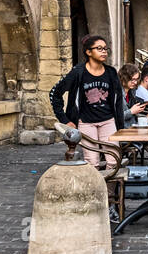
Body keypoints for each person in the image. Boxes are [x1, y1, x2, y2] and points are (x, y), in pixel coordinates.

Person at [49, 34, 127, 166]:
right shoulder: (78, 72)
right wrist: (65, 120)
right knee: (92, 162)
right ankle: (95, 187)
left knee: (114, 161)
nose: (103, 51)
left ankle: (109, 188)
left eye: (105, 49)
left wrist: (120, 124)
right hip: (86, 123)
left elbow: (118, 100)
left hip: (108, 121)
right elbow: (54, 94)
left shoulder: (111, 72)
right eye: (99, 48)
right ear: (88, 52)